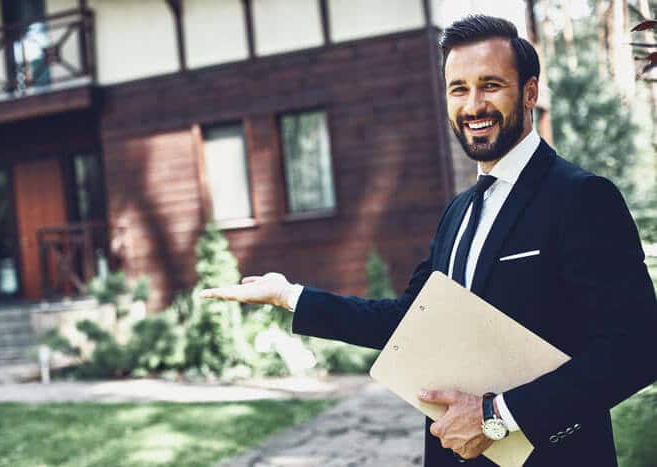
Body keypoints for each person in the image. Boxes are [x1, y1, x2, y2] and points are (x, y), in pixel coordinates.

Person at [200, 15, 657, 466]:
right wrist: (290, 297)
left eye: (491, 85)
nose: (473, 105)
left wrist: (495, 419)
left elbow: (637, 349)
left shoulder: (582, 198)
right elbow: (407, 321)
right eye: (459, 89)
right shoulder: (456, 214)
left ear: (530, 92)